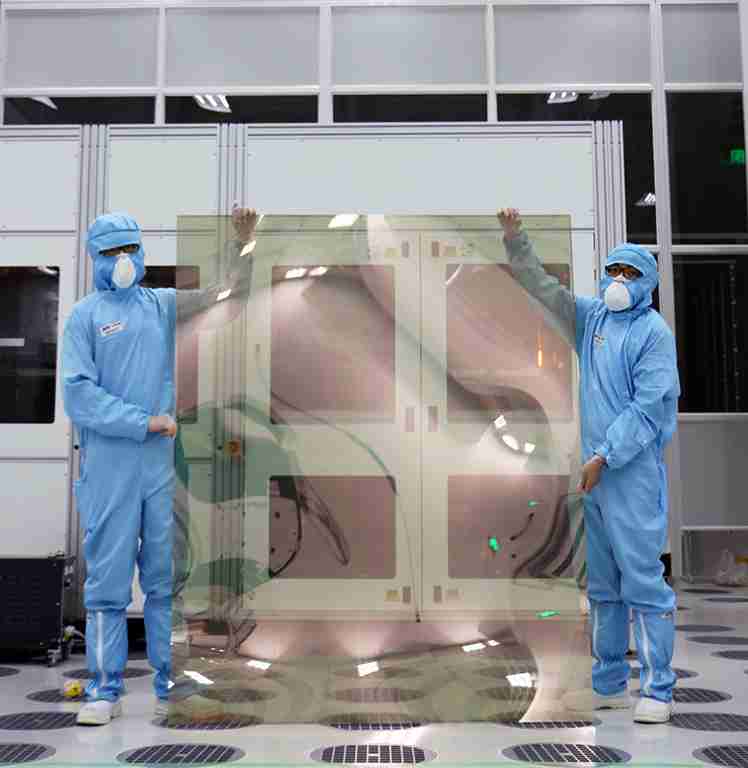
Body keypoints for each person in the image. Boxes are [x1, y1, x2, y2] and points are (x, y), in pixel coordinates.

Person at [62, 208, 257, 726]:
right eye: (112, 251)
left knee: (165, 578)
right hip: (110, 467)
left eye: (131, 248)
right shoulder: (84, 317)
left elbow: (223, 297)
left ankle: (171, 683)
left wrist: (243, 246)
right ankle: (104, 690)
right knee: (107, 583)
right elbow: (79, 396)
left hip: (160, 467)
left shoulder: (161, 305)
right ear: (95, 257)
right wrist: (144, 421)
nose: (124, 259)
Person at [498, 208, 680, 724]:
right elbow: (542, 289)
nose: (618, 280)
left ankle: (659, 690)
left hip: (631, 475)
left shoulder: (653, 333)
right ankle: (609, 683)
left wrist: (605, 456)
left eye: (630, 273)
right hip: (595, 475)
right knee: (602, 585)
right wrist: (515, 239)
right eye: (613, 271)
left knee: (642, 581)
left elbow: (648, 408)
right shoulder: (594, 319)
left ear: (647, 283)